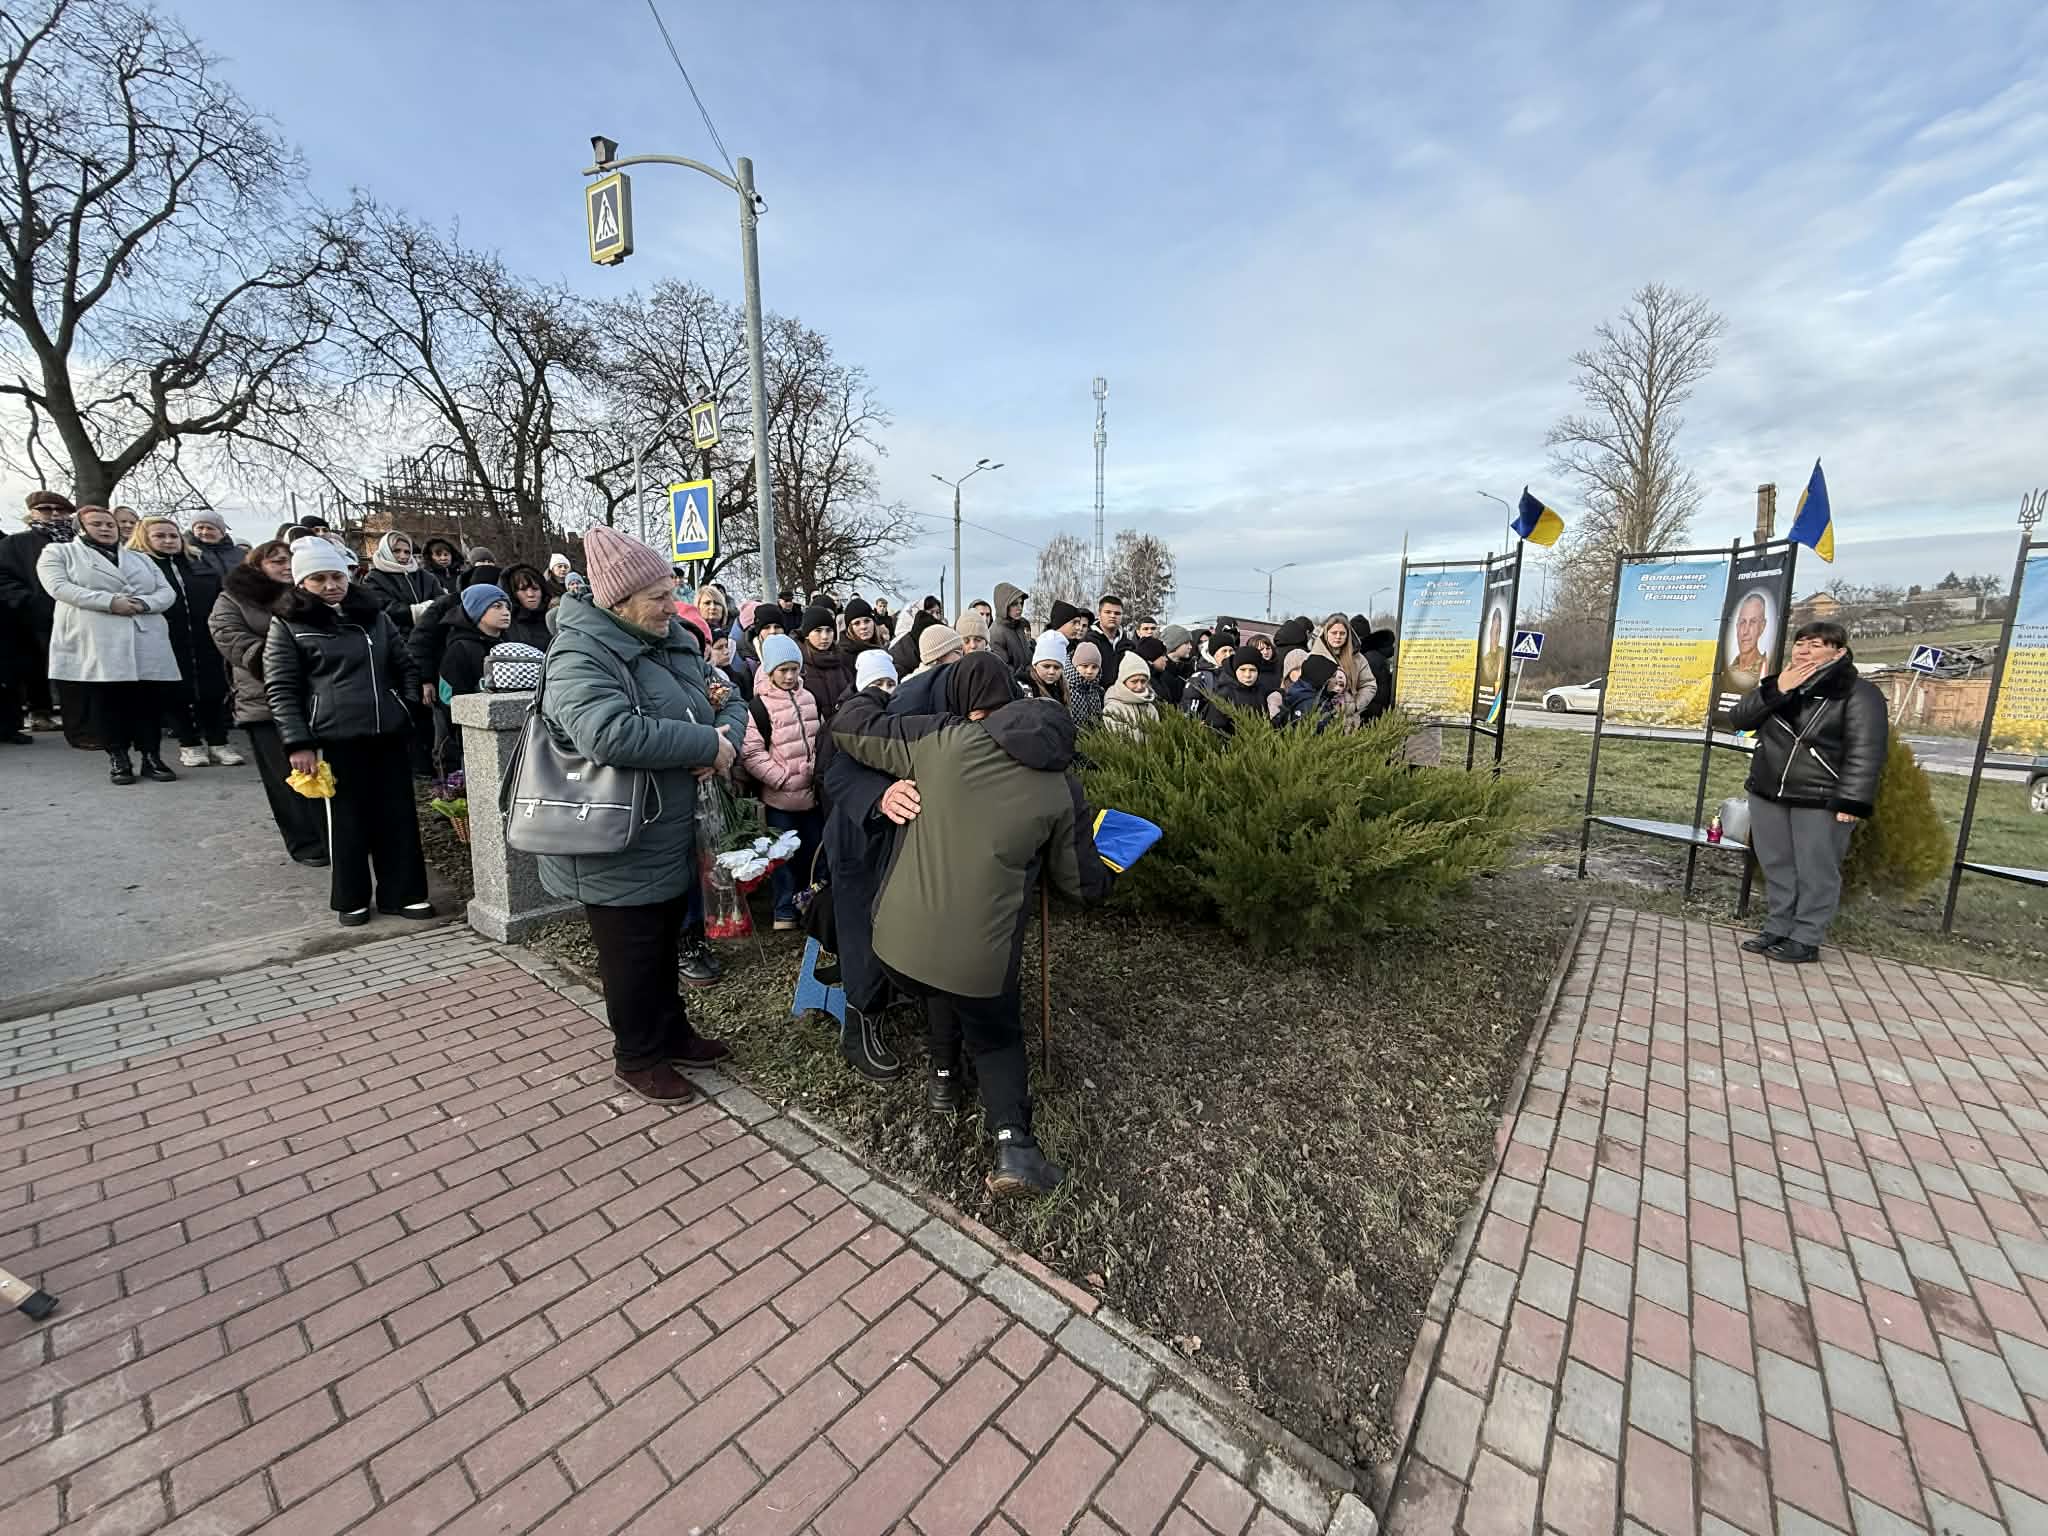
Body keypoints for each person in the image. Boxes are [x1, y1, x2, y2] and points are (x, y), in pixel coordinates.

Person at [829, 653, 1104, 1195]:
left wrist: (879, 692)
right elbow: (1080, 885)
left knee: (940, 973)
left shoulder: (941, 740)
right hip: (978, 963)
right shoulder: (1061, 784)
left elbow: (848, 728)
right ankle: (1015, 1147)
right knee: (997, 1033)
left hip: (897, 948)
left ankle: (944, 1079)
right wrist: (1110, 866)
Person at [536, 526, 747, 1102]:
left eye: (670, 589)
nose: (671, 604)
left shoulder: (671, 636)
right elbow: (606, 733)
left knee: (663, 938)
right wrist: (704, 746)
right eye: (657, 595)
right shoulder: (580, 653)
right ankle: (636, 1057)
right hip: (613, 834)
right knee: (632, 953)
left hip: (669, 828)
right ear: (617, 601)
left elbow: (727, 695)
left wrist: (721, 740)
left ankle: (672, 1033)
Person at [264, 540, 432, 926]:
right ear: (303, 582)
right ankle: (352, 897)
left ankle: (404, 893)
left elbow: (405, 664)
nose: (330, 585)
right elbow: (281, 687)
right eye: (318, 578)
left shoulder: (373, 615)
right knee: (346, 822)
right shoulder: (289, 623)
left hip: (385, 732)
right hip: (333, 739)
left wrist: (402, 706)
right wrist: (298, 742)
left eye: (336, 575)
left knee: (398, 817)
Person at [1726, 621, 1888, 964]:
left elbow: (1866, 750)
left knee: (1816, 868)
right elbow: (1738, 719)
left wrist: (1852, 800)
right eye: (1800, 644)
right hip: (1769, 791)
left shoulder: (1859, 693)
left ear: (1839, 652)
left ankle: (1806, 936)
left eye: (1816, 645)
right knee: (1776, 864)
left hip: (1821, 795)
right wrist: (1777, 689)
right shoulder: (1781, 684)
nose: (1804, 650)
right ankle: (1778, 927)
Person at [39, 505, 181, 783]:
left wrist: (143, 603)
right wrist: (110, 602)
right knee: (108, 701)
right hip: (98, 637)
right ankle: (118, 757)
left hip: (144, 634)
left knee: (148, 700)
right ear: (80, 528)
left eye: (110, 524)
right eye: (97, 524)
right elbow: (59, 587)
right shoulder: (59, 553)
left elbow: (166, 591)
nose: (106, 528)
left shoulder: (140, 558)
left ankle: (152, 756)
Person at [211, 541, 328, 865]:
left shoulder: (308, 591)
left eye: (291, 560)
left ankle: (334, 837)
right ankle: (306, 844)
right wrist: (284, 655)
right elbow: (228, 636)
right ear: (258, 564)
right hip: (264, 699)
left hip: (316, 696)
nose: (285, 566)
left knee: (324, 771)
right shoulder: (234, 598)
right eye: (277, 561)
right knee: (286, 778)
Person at [130, 515, 239, 766]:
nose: (168, 541)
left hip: (203, 634)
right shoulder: (140, 566)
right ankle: (189, 743)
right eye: (160, 536)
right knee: (174, 692)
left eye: (173, 535)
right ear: (144, 538)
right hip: (165, 636)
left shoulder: (198, 561)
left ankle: (218, 741)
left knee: (212, 689)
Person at [738, 633, 826, 932]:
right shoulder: (759, 706)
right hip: (780, 799)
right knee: (782, 859)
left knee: (812, 854)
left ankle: (810, 905)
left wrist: (817, 769)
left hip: (812, 795)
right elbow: (751, 752)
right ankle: (784, 910)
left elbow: (819, 737)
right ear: (770, 671)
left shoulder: (809, 698)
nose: (790, 676)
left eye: (794, 669)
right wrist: (782, 779)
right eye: (783, 670)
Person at [0, 491, 75, 736]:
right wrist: (27, 600)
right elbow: (3, 577)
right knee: (36, 665)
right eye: (45, 509)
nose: (54, 513)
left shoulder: (78, 541)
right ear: (32, 513)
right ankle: (40, 712)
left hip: (78, 612)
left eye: (60, 509)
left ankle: (78, 714)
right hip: (34, 615)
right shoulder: (14, 543)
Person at [437, 583, 513, 709]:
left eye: (507, 607)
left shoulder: (509, 645)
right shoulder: (460, 649)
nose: (506, 612)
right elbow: (449, 700)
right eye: (497, 606)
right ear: (476, 609)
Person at [1310, 613, 1374, 724]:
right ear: (1326, 633)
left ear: (1348, 635)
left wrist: (1355, 705)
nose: (1338, 636)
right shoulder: (1314, 657)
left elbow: (1369, 684)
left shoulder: (1358, 659)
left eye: (1342, 633)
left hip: (1348, 723)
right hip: (1318, 721)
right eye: (1334, 633)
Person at [798, 603, 853, 724]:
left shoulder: (841, 661)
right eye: (818, 631)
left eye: (829, 630)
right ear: (807, 634)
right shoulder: (798, 666)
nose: (824, 637)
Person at [1200, 646, 1268, 736]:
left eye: (1252, 670)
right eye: (1242, 670)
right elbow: (1214, 730)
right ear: (1235, 669)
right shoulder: (1224, 694)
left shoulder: (1261, 690)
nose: (1247, 675)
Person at [1279, 654, 1343, 732]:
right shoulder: (1312, 706)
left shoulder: (1298, 692)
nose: (1336, 680)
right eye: (1333, 676)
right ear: (1322, 679)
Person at [500, 564, 555, 650]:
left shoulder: (555, 618)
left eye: (535, 588)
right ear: (513, 593)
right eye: (523, 589)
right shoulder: (504, 623)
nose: (530, 594)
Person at [184, 509, 246, 586]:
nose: (205, 532)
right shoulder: (185, 552)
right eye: (200, 528)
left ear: (221, 532)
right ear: (193, 530)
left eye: (210, 528)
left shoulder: (241, 554)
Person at [1104, 651, 1158, 738]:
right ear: (1123, 682)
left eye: (1143, 681)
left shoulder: (1151, 708)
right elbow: (1119, 739)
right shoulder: (1113, 709)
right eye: (1134, 681)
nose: (1139, 686)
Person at [990, 582, 1033, 677]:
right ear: (1003, 605)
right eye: (1014, 604)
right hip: (1015, 684)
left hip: (1033, 679)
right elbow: (1004, 668)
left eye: (1021, 603)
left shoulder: (1024, 624)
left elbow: (1030, 649)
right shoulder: (995, 633)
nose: (1020, 608)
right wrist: (1028, 676)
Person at [1081, 594, 1129, 675]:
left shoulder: (1128, 645)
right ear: (1099, 614)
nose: (1113, 616)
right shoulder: (1087, 642)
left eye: (1117, 613)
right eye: (1108, 612)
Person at [1359, 628, 1396, 723]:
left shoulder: (1371, 656)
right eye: (1390, 645)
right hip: (1373, 712)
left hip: (1369, 709)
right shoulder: (1377, 660)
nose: (1393, 649)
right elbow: (1382, 688)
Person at [1067, 641, 1105, 731]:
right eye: (1085, 666)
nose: (1089, 671)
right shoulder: (1066, 689)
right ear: (1075, 665)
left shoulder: (1098, 691)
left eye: (1094, 667)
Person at [1027, 631, 1069, 707]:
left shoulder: (1061, 688)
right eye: (1046, 666)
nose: (1051, 672)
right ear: (1035, 665)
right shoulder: (1025, 688)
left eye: (1057, 667)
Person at [1269, 649, 1309, 721]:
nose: (1300, 673)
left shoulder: (1315, 692)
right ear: (1288, 672)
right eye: (1296, 669)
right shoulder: (1277, 697)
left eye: (1304, 668)